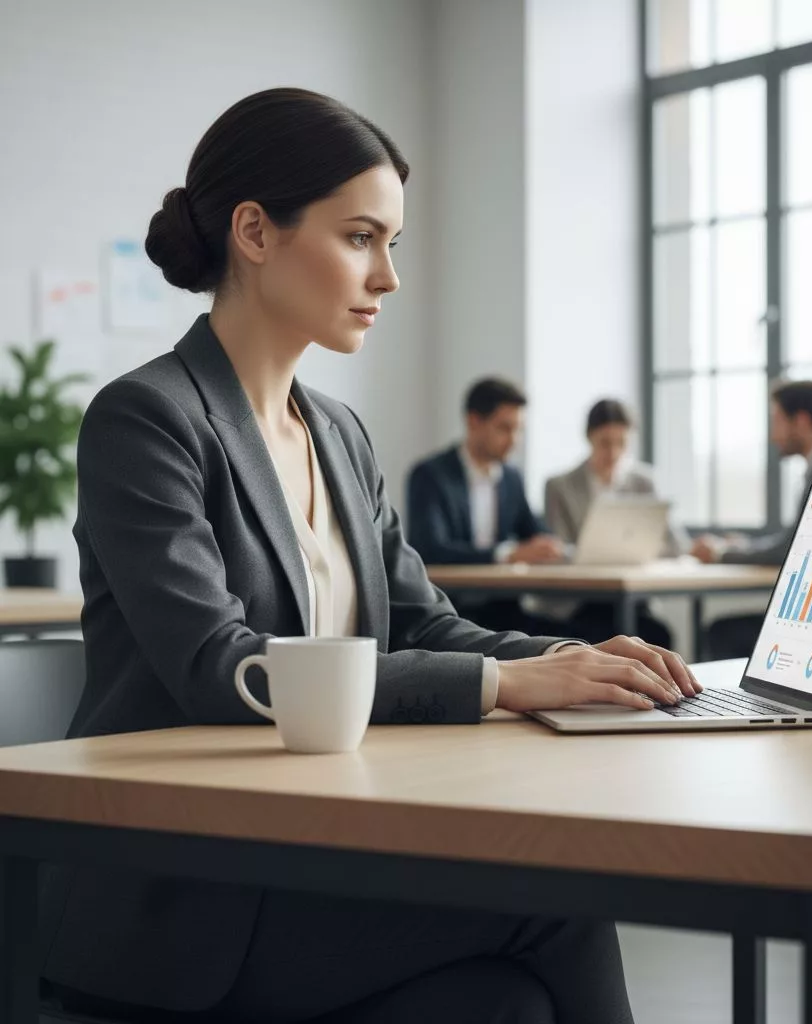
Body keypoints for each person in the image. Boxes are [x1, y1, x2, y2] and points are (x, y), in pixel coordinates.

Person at [40, 88, 702, 1024]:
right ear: (255, 233)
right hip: (186, 901)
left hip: (309, 852)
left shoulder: (339, 432)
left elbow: (424, 620)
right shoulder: (147, 419)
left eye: (393, 243)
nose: (388, 276)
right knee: (562, 909)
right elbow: (221, 670)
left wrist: (561, 663)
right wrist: (504, 689)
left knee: (509, 998)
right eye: (361, 237)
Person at [692, 379, 812, 659]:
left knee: (722, 631)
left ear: (801, 420)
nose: (773, 435)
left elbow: (789, 550)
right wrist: (745, 544)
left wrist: (721, 552)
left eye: (777, 421)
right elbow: (796, 540)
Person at [405, 379, 565, 634]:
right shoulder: (430, 475)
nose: (514, 440)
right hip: (450, 611)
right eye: (505, 428)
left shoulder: (511, 478)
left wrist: (553, 546)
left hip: (505, 609)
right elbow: (430, 549)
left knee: (585, 634)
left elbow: (534, 530)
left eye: (519, 430)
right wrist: (506, 554)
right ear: (474, 422)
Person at [542, 398, 687, 647]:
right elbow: (558, 549)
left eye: (622, 443)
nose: (613, 453)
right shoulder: (560, 486)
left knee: (658, 636)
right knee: (599, 634)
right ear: (589, 438)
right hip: (581, 602)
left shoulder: (644, 482)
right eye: (605, 443)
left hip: (634, 599)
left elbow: (676, 545)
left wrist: (637, 550)